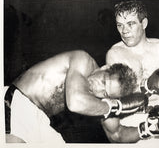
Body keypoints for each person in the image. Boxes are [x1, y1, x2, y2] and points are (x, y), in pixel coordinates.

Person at [4, 50, 146, 143]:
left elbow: (116, 134)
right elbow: (75, 103)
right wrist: (115, 106)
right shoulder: (82, 59)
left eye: (105, 93)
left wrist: (147, 129)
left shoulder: (100, 103)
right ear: (104, 68)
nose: (98, 89)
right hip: (19, 103)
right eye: (103, 81)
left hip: (40, 118)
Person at [104, 0, 159, 142]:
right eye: (120, 25)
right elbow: (119, 94)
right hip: (129, 120)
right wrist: (147, 86)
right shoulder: (115, 53)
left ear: (144, 23)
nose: (124, 31)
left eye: (131, 24)